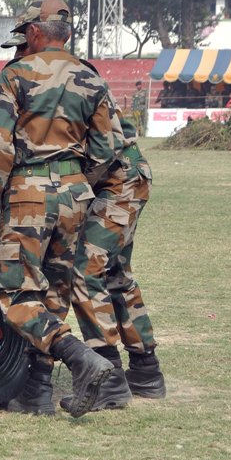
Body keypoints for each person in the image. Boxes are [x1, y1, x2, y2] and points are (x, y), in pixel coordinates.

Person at [0, 0, 124, 418]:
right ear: (67, 33)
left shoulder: (15, 74)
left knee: (18, 293)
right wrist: (75, 177)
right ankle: (38, 393)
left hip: (27, 192)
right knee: (53, 291)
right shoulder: (91, 79)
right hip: (76, 195)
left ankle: (80, 358)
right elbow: (109, 147)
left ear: (34, 32)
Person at [62, 108, 166, 413]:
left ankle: (108, 378)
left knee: (85, 271)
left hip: (120, 179)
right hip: (121, 176)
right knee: (115, 273)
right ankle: (146, 370)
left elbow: (103, 149)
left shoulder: (72, 82)